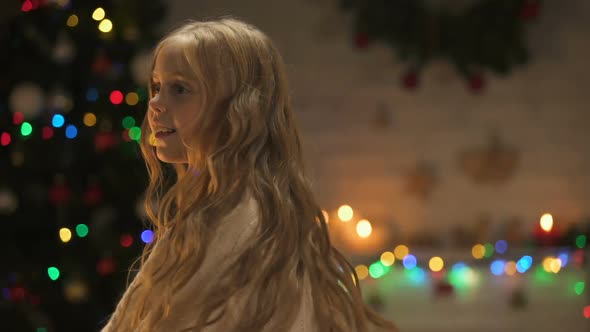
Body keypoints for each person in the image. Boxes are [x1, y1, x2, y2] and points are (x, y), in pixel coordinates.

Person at [100, 17, 398, 332]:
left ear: (237, 108)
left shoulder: (242, 224)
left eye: (179, 89)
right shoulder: (210, 212)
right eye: (157, 87)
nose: (156, 104)